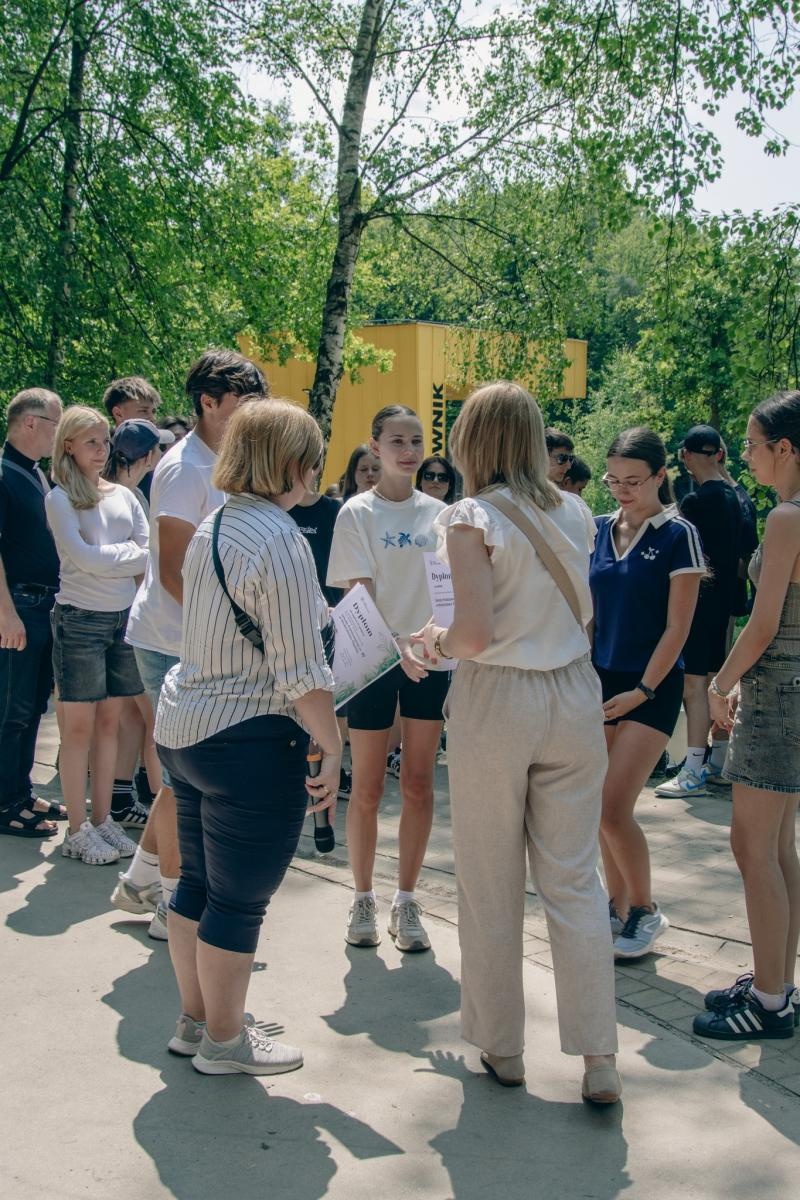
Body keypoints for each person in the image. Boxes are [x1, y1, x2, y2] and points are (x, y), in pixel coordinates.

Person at [411, 381, 620, 1103]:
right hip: (572, 690)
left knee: (490, 878)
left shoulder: (470, 515)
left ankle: (503, 1046)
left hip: (498, 696)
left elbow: (471, 635)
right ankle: (599, 1056)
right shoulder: (573, 510)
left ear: (472, 439)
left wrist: (429, 640)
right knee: (573, 879)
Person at [155, 398, 339, 1075]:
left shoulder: (216, 523)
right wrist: (333, 740)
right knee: (238, 901)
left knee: (197, 885)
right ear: (293, 463)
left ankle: (199, 1021)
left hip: (189, 727)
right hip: (250, 737)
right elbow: (298, 669)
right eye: (313, 459)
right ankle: (226, 1044)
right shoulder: (280, 537)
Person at [115, 349, 268, 936]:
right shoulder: (185, 468)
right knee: (189, 781)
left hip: (201, 642)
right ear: (208, 402)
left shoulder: (226, 459)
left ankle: (143, 878)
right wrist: (235, 633)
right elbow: (175, 570)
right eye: (244, 402)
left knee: (186, 776)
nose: (254, 412)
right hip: (174, 641)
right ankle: (175, 905)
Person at [693, 390, 800, 1042]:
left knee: (752, 847)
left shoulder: (787, 518)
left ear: (785, 448)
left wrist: (719, 686)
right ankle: (778, 985)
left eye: (755, 443)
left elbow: (762, 625)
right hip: (794, 693)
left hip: (778, 695)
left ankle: (767, 1001)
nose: (749, 454)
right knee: (779, 848)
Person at [328, 405, 449, 952]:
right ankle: (362, 898)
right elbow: (359, 594)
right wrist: (397, 646)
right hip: (375, 661)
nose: (408, 450)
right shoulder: (356, 513)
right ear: (374, 448)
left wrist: (429, 642)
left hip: (430, 661)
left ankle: (406, 899)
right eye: (397, 440)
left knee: (420, 784)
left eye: (417, 440)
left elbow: (449, 593)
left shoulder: (442, 514)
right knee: (369, 788)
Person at [591, 428, 704, 958]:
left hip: (651, 686)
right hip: (599, 682)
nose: (621, 489)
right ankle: (615, 910)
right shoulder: (595, 529)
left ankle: (644, 909)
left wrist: (641, 690)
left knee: (614, 808)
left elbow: (677, 628)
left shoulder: (678, 533)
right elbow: (588, 616)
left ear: (661, 475)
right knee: (596, 809)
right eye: (613, 479)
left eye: (633, 480)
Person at [45, 406, 148, 865]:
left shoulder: (125, 497)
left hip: (122, 619)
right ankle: (76, 828)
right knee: (79, 730)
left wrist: (117, 556)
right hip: (79, 622)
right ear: (68, 444)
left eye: (105, 440)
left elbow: (148, 554)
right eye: (91, 441)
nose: (102, 449)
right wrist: (124, 555)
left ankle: (103, 820)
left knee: (111, 724)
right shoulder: (61, 497)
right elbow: (84, 559)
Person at [656, 425, 743, 799]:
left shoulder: (693, 504)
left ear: (686, 457)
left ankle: (693, 768)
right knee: (715, 683)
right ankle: (718, 762)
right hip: (727, 609)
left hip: (697, 606)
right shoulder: (739, 497)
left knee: (694, 687)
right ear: (721, 454)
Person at [0, 388, 65, 838]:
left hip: (42, 606)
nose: (58, 434)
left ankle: (19, 792)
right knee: (12, 711)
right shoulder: (3, 474)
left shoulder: (35, 474)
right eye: (54, 424)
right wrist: (6, 612)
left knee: (32, 708)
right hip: (17, 607)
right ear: (29, 422)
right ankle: (5, 805)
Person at [102, 379, 163, 818]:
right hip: (127, 620)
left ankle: (121, 798)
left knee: (130, 718)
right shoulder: (124, 496)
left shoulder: (127, 491)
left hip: (124, 617)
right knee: (154, 721)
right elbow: (132, 559)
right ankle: (165, 813)